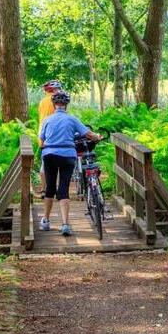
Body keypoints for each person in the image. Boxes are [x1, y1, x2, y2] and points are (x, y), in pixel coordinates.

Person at [39, 91, 102, 236]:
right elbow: (88, 134)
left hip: (49, 155)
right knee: (64, 189)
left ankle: (46, 221)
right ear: (67, 104)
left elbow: (41, 141)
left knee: (50, 188)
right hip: (68, 155)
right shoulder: (72, 119)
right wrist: (97, 137)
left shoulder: (47, 120)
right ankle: (66, 224)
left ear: (54, 104)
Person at [37, 79, 62, 198]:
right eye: (58, 89)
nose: (59, 91)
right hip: (55, 133)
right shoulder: (57, 101)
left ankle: (43, 188)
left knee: (45, 161)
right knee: (56, 162)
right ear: (53, 90)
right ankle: (55, 188)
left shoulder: (42, 102)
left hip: (42, 133)